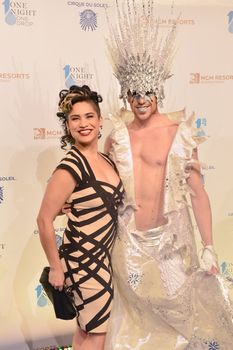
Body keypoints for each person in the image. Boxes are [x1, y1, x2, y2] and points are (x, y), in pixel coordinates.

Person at [102, 1, 233, 349]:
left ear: (158, 89)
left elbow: (197, 192)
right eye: (133, 93)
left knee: (180, 317)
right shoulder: (116, 135)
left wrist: (208, 245)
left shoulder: (179, 133)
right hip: (128, 242)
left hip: (171, 244)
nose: (140, 99)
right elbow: (100, 181)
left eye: (146, 91)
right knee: (131, 323)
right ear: (125, 93)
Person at [37, 85, 124, 350]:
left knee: (87, 331)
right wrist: (55, 267)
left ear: (100, 121)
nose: (83, 124)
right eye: (75, 118)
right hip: (83, 261)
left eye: (89, 116)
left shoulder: (107, 160)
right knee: (97, 333)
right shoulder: (70, 166)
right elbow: (43, 220)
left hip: (102, 259)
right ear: (68, 126)